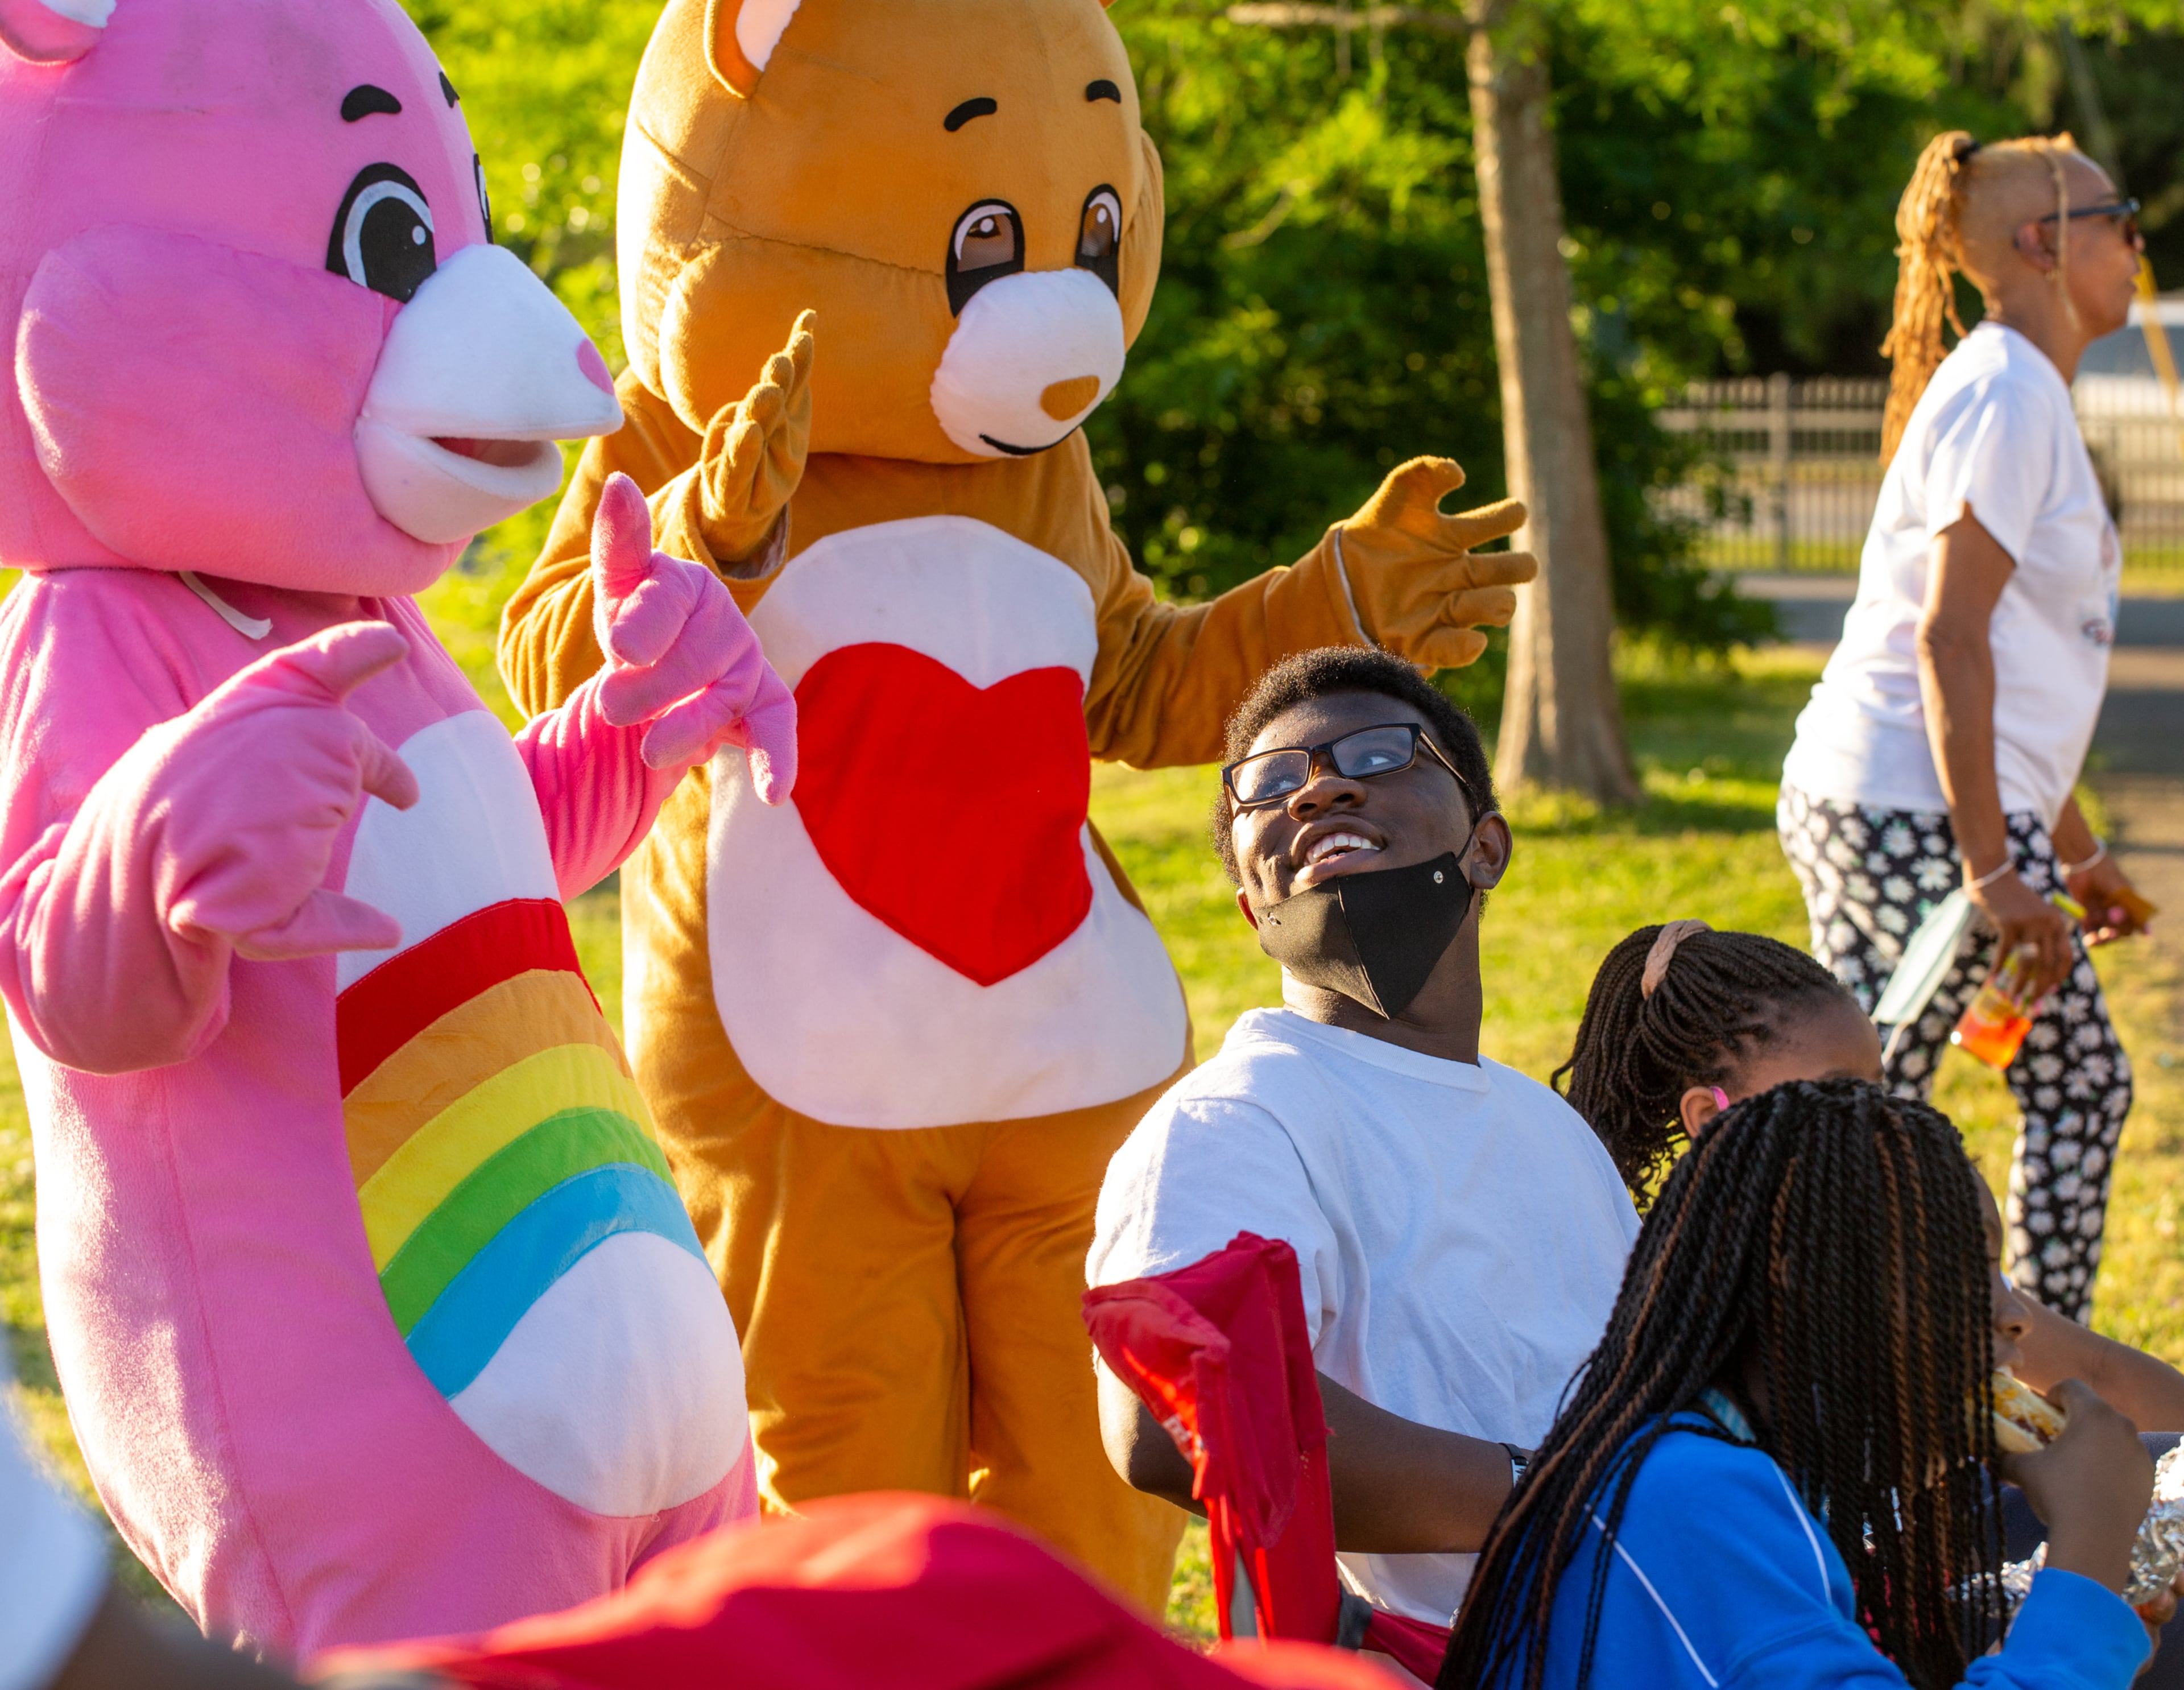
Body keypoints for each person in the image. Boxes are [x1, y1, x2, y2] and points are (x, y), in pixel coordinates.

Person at [1087, 647, 1640, 1626]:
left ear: (1487, 849)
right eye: (1267, 786)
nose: (1320, 789)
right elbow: (1171, 1419)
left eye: (1380, 754)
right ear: (1253, 905)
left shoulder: (1551, 1133)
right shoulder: (1242, 1118)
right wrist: (1566, 1499)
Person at [1777, 129, 2150, 1324]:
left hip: (1901, 799)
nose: (2138, 242)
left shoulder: (2017, 389)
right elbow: (1949, 639)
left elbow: (2027, 671)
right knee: (2057, 1087)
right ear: (2043, 244)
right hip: (1913, 809)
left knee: (1877, 1105)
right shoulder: (2005, 394)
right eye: (2120, 217)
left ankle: (1907, 1366)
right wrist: (1997, 869)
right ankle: (2028, 1373)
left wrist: (2072, 852)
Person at [1438, 1079, 2167, 1690]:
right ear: (1810, 1284)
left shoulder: (1724, 1470)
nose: (2014, 1317)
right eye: (1961, 1265)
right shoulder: (1694, 1498)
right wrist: (2089, 1552)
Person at [1557, 920, 2184, 1433]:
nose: (1874, 1114)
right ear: (1711, 1119)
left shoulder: (1895, 1233)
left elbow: (2095, 1369)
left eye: (1878, 1087)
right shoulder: (1657, 1290)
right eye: (1838, 1091)